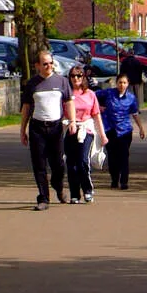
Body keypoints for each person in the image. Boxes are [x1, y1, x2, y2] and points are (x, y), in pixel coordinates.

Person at [19, 50, 76, 211]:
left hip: (56, 127)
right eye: (45, 64)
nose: (49, 66)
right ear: (37, 66)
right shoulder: (32, 84)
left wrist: (72, 121)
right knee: (39, 164)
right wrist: (22, 130)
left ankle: (58, 186)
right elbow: (26, 107)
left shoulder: (62, 81)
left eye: (51, 63)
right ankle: (43, 198)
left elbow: (69, 102)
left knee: (58, 164)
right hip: (37, 127)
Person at [63, 66, 108, 204]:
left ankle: (87, 190)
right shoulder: (66, 94)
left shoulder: (90, 94)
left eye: (79, 75)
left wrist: (102, 134)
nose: (76, 78)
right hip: (70, 129)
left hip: (85, 130)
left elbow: (96, 115)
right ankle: (75, 194)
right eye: (73, 76)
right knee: (71, 164)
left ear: (83, 77)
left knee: (82, 161)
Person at [96, 72, 145, 190]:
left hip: (125, 131)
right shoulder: (108, 93)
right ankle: (114, 179)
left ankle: (124, 181)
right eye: (120, 82)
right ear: (116, 83)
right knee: (112, 157)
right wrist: (98, 107)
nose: (122, 85)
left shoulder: (131, 98)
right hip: (110, 129)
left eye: (124, 83)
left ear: (128, 84)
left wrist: (141, 128)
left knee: (124, 156)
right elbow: (91, 97)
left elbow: (135, 114)